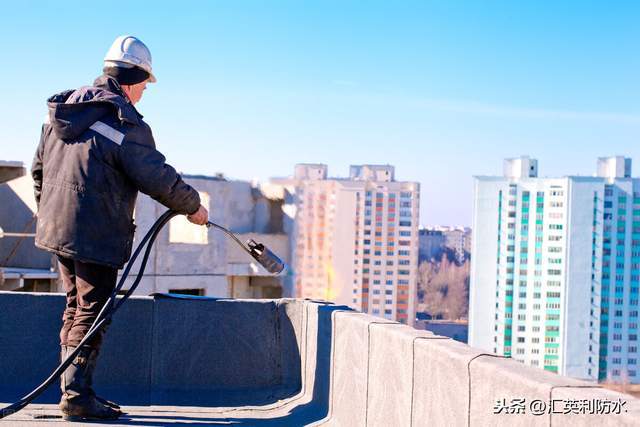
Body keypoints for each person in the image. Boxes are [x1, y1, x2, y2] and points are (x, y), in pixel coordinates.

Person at [31, 35, 208, 421]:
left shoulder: (64, 113)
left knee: (75, 307)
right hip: (95, 233)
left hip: (59, 227)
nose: (145, 92)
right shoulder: (122, 121)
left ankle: (75, 392)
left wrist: (51, 211)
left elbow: (39, 171)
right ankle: (76, 399)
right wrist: (193, 206)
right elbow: (156, 176)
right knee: (90, 312)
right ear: (131, 80)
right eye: (145, 84)